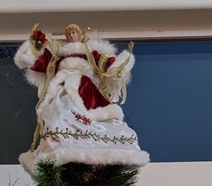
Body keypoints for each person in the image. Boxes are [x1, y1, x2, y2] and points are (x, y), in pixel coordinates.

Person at [14, 23, 149, 173]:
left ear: (80, 34)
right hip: (63, 85)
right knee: (59, 110)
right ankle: (63, 144)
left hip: (84, 87)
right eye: (69, 33)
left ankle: (90, 145)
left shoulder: (89, 52)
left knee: (91, 115)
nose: (72, 35)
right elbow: (40, 63)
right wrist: (34, 50)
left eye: (74, 32)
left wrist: (118, 67)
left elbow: (105, 63)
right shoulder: (59, 54)